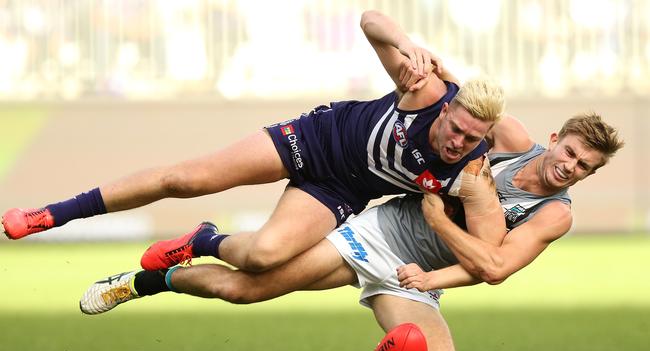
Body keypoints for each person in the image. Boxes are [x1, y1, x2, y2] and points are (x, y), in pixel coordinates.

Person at [79, 111, 623, 351]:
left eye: (584, 167)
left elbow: (496, 268)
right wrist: (417, 64)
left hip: (419, 279)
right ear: (555, 140)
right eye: (570, 152)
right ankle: (148, 280)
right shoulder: (513, 142)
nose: (569, 167)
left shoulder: (554, 215)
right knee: (245, 288)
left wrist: (434, 259)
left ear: (589, 175)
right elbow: (458, 102)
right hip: (376, 239)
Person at [1, 10, 504, 274]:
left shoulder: (474, 168)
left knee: (264, 256)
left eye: (471, 138)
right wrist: (409, 45)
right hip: (314, 139)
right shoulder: (424, 89)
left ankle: (203, 241)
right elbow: (369, 20)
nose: (458, 141)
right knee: (185, 178)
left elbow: (495, 239)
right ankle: (49, 214)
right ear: (448, 105)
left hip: (342, 192)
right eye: (455, 127)